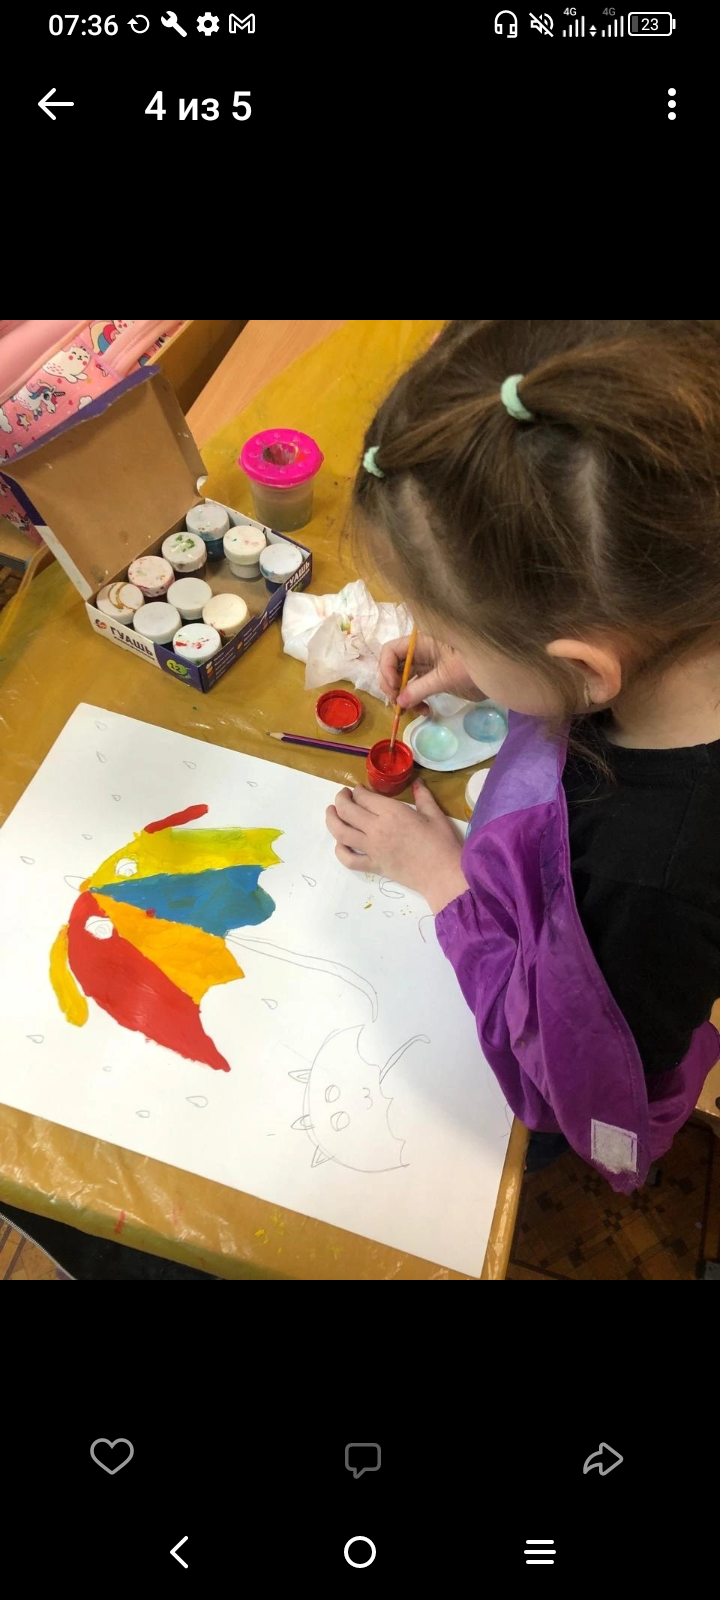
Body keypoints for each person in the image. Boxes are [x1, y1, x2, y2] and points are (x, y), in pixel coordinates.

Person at [325, 319, 720, 1190]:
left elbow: (561, 1067)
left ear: (583, 668)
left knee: (524, 1141)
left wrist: (443, 881)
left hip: (569, 1076)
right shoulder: (686, 610)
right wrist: (492, 661)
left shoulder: (645, 887)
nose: (446, 643)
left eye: (460, 631)